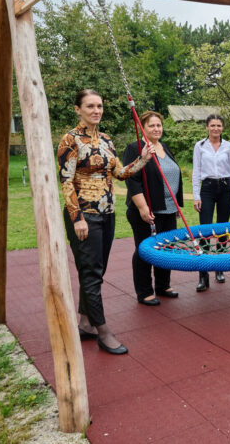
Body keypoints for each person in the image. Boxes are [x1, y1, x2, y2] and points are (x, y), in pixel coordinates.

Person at [58, 89, 154, 355]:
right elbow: (66, 182)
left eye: (99, 106)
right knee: (90, 273)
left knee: (96, 271)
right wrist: (77, 218)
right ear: (78, 109)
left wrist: (143, 159)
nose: (96, 110)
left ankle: (86, 322)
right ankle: (103, 331)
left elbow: (120, 173)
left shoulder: (107, 140)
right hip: (84, 215)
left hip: (107, 213)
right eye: (90, 106)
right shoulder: (70, 140)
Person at [123, 111, 182, 307]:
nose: (156, 129)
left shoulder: (164, 147)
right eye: (151, 126)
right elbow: (133, 181)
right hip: (146, 209)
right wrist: (142, 207)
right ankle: (145, 291)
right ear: (143, 128)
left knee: (167, 248)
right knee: (145, 249)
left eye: (159, 125)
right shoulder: (135, 148)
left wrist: (175, 206)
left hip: (168, 208)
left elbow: (173, 177)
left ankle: (163, 285)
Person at [192, 114, 230, 292]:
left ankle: (220, 267)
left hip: (225, 188)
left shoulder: (229, 146)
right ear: (207, 127)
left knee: (222, 229)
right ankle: (203, 275)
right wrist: (196, 195)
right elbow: (196, 171)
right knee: (205, 230)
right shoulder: (200, 146)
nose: (215, 128)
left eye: (218, 125)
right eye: (212, 125)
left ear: (222, 127)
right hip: (207, 188)